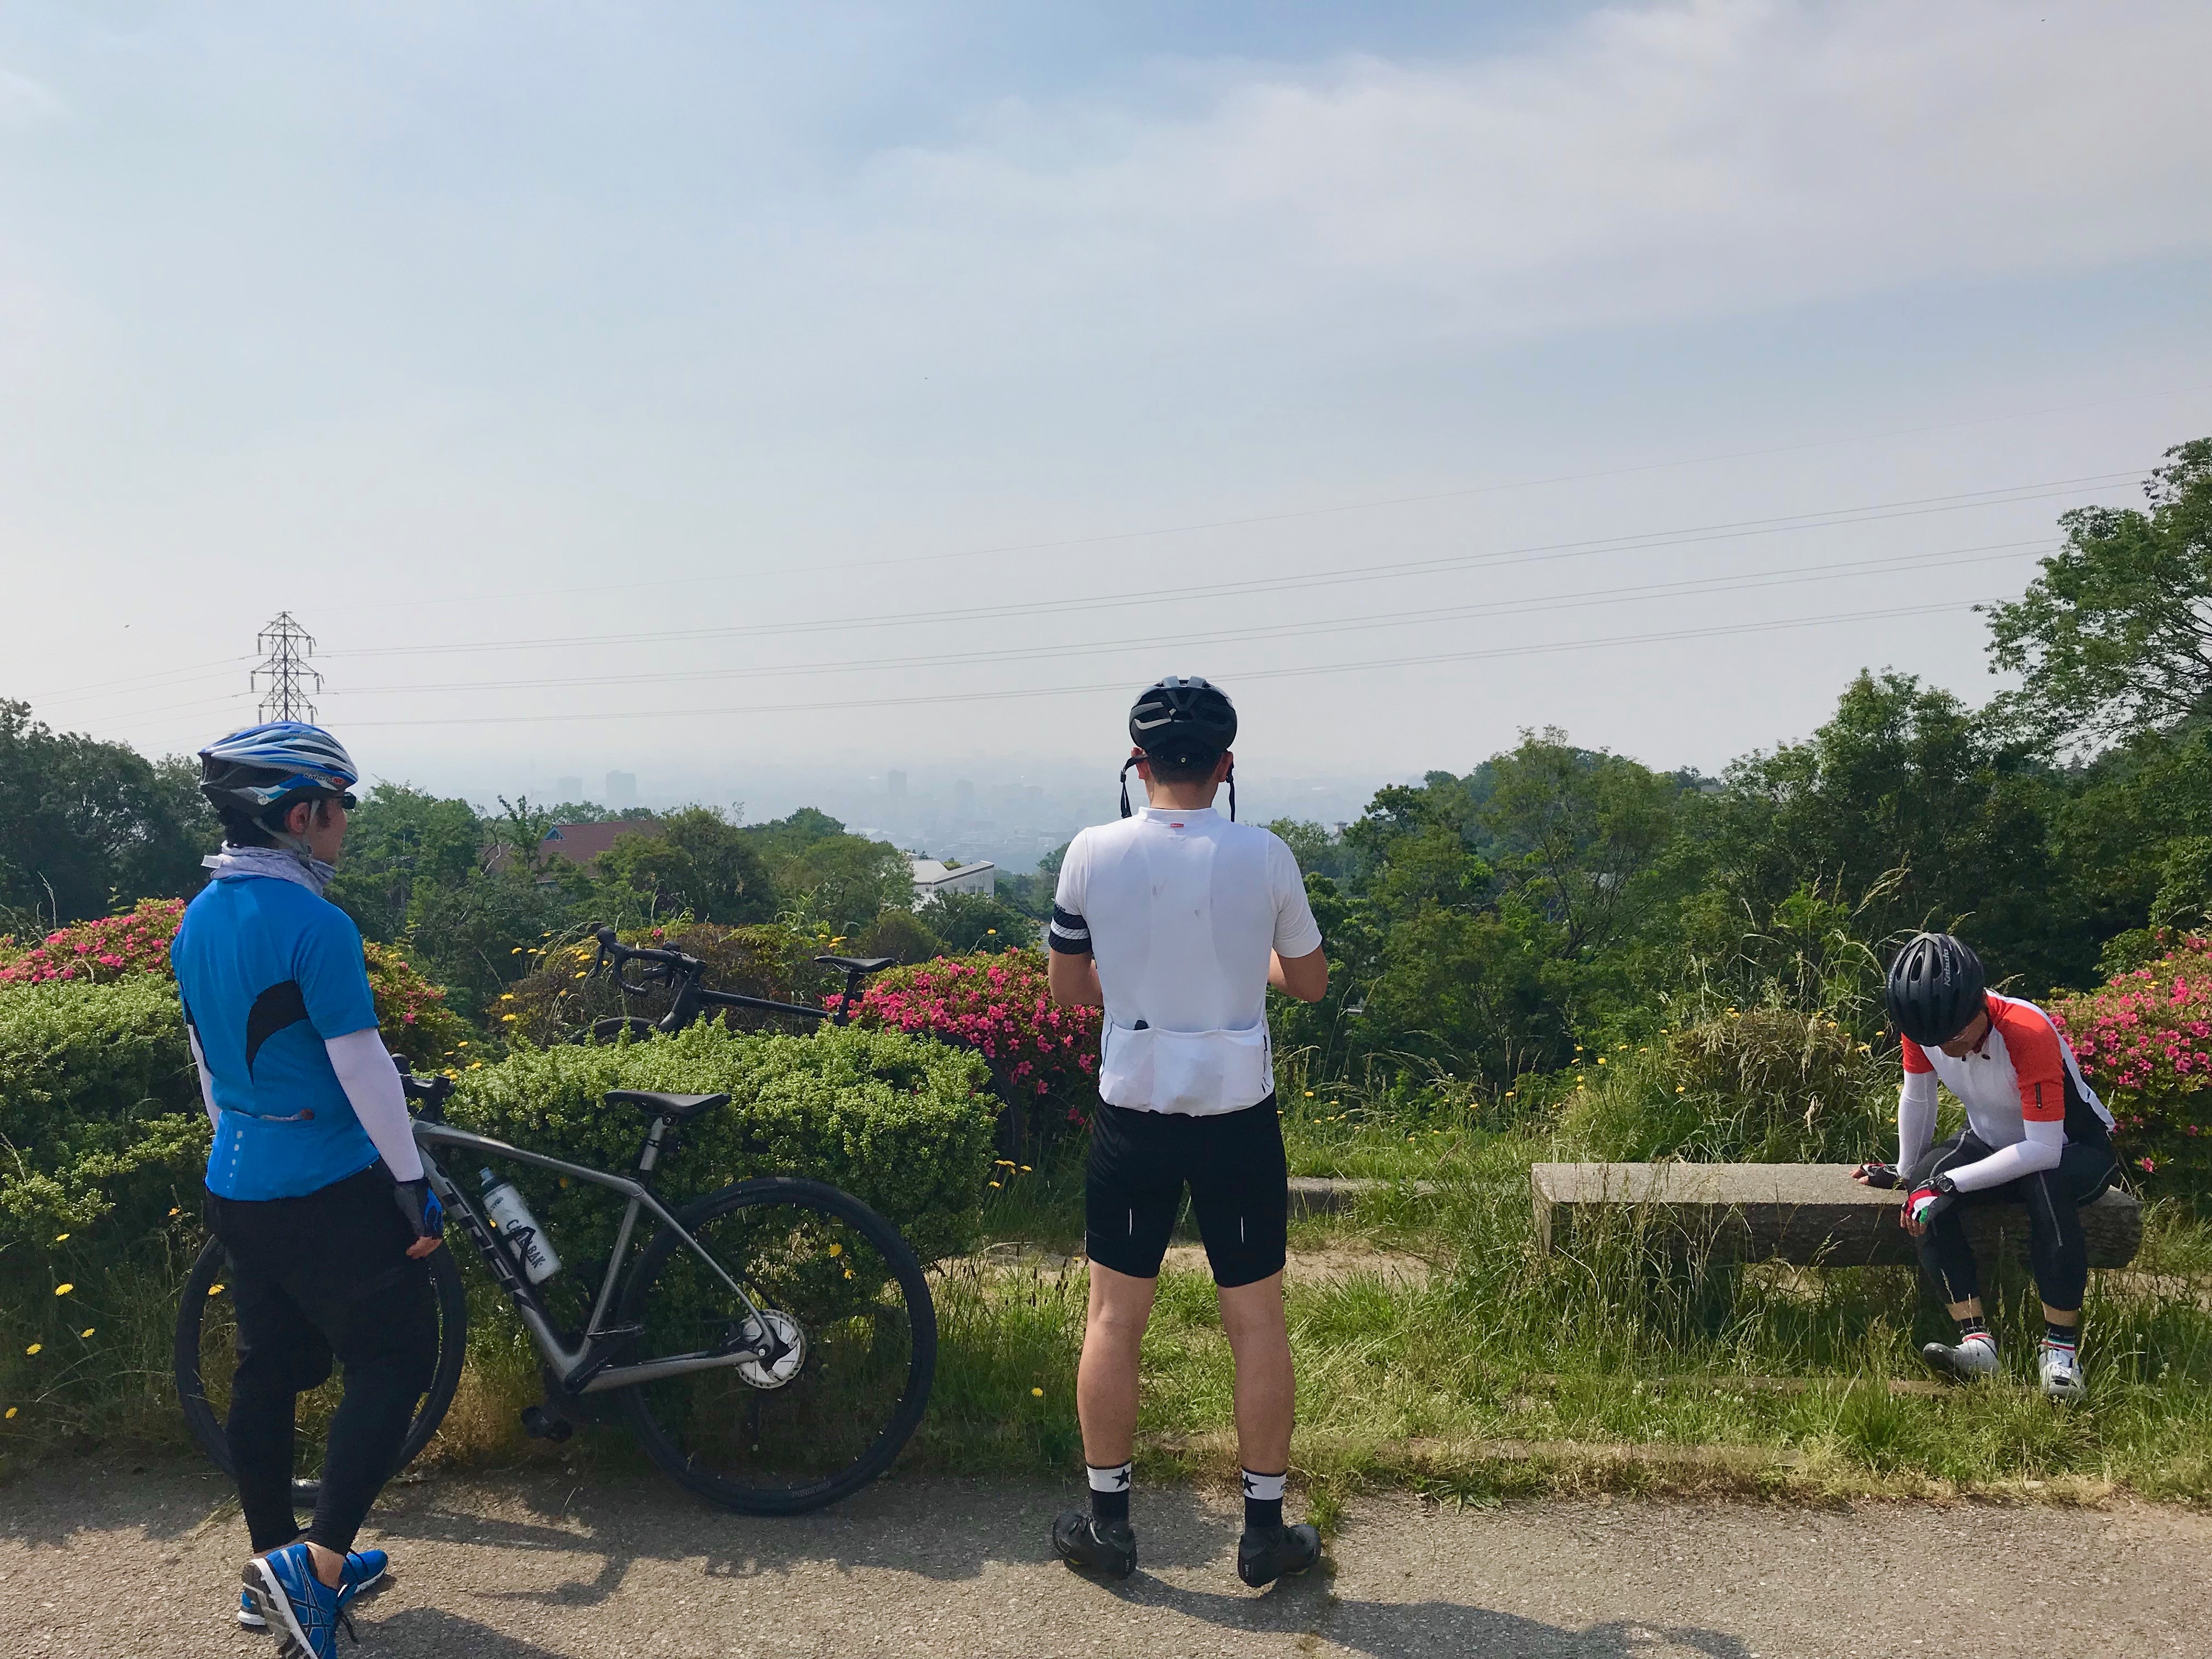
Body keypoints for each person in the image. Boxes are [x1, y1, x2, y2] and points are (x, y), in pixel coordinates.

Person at [1045, 677, 1330, 1589]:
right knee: (1255, 1322)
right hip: (1237, 1115)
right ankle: (1261, 1529)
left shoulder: (1091, 851)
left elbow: (1069, 989)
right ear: (1226, 766)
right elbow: (1311, 979)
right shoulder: (1267, 854)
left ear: (1137, 765)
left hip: (1133, 1108)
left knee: (1113, 1318)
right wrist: (1252, 974)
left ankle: (1108, 1525)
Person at [171, 723, 446, 1657]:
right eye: (340, 807)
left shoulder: (198, 914)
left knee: (270, 1367)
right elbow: (363, 1064)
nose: (345, 824)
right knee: (399, 1352)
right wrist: (410, 1182)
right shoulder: (317, 925)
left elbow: (209, 1062)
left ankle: (269, 1572)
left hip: (237, 1180)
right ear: (301, 814)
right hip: (325, 1186)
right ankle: (318, 1570)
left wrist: (242, 1147)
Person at [1854, 932, 2119, 1401]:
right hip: (1994, 1141)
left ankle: (2060, 1353)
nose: (1947, 1048)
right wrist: (1905, 1170)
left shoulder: (2025, 1029)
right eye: (1932, 1040)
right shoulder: (1928, 1026)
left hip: (2070, 1146)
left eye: (1955, 1035)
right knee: (1921, 1192)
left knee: (2044, 1186)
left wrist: (1951, 1183)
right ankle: (1978, 1343)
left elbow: (2043, 1151)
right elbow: (1918, 1095)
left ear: (1979, 1003)